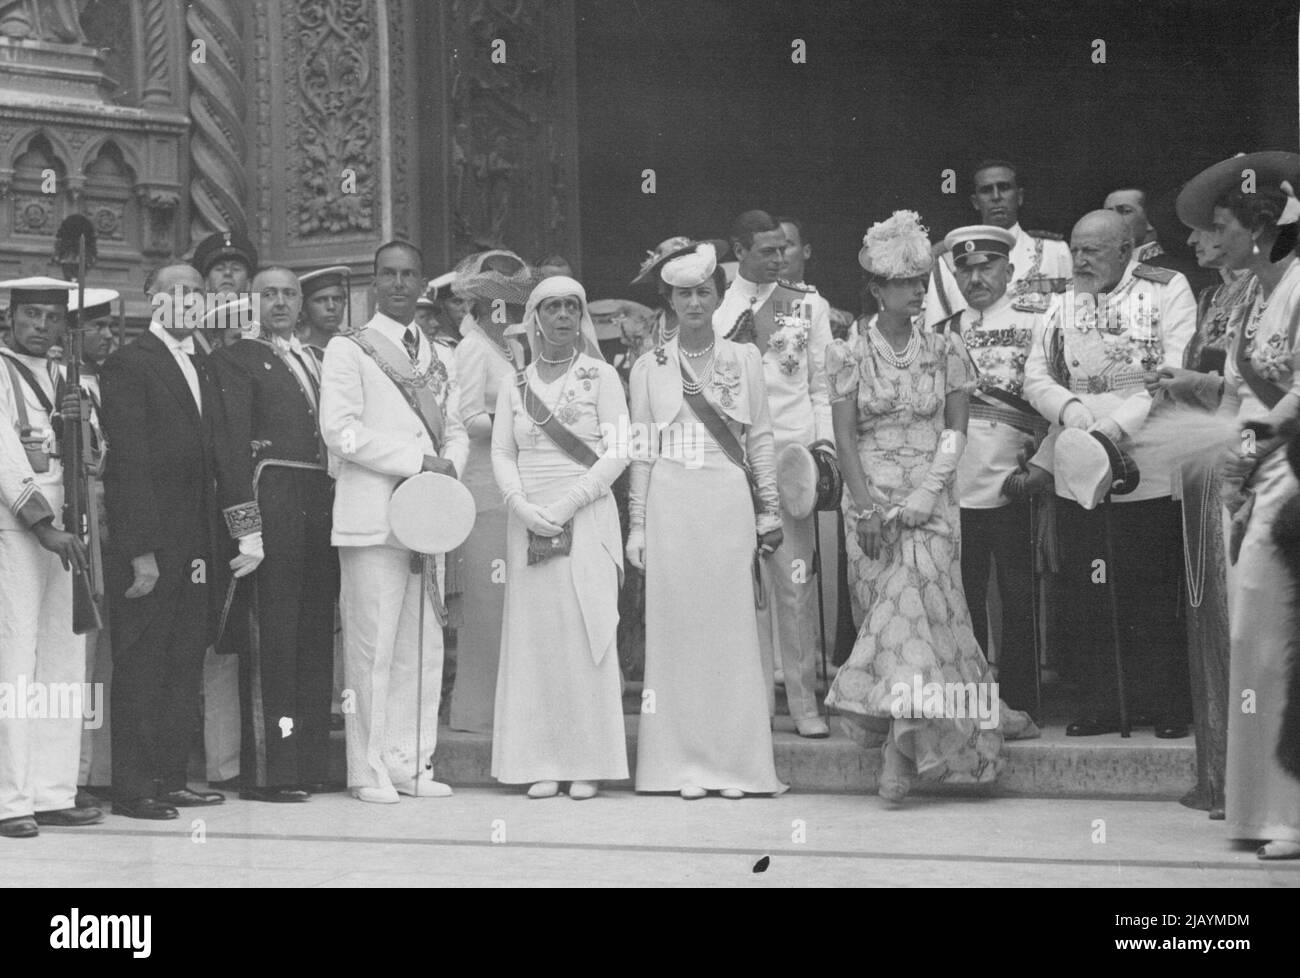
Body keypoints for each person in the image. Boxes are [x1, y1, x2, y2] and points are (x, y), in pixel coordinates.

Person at [825, 212, 1038, 804]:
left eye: (922, 281)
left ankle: (898, 752)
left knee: (921, 606)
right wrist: (867, 510)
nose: (918, 292)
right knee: (896, 620)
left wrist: (927, 492)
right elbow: (845, 439)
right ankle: (935, 730)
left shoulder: (946, 347)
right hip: (869, 501)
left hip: (934, 499)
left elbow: (956, 431)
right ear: (876, 289)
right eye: (905, 283)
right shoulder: (846, 352)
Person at [1022, 210, 1197, 738]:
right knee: (1089, 587)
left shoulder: (1167, 290)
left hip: (1144, 462)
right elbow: (1036, 374)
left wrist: (1112, 428)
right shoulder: (1059, 302)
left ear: (1127, 250)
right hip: (1078, 464)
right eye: (1075, 249)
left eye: (1092, 250)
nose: (1079, 260)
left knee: (1148, 587)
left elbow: (1173, 371)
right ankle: (1101, 702)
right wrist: (1076, 417)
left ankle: (1164, 705)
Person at [100, 263, 264, 820]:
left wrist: (244, 534)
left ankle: (171, 777)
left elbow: (226, 455)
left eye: (195, 291)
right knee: (143, 661)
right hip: (152, 542)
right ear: (151, 298)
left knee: (183, 659)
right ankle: (133, 787)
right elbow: (128, 465)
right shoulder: (129, 363)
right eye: (174, 290)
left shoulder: (206, 365)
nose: (186, 298)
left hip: (201, 542)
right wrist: (140, 550)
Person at [628, 242, 786, 798]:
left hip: (726, 498)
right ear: (669, 301)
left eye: (704, 292)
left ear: (718, 296)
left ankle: (735, 765)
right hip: (672, 500)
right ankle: (680, 765)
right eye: (683, 293)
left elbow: (761, 438)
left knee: (731, 632)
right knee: (676, 635)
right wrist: (638, 526)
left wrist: (768, 508)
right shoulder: (649, 367)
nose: (694, 302)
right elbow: (642, 449)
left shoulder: (744, 359)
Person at [1176, 151, 1300, 859]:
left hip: (1291, 475)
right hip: (1254, 472)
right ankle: (1260, 807)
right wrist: (1196, 391)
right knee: (1254, 633)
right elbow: (1241, 388)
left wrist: (1256, 435)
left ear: (1258, 229)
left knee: (1280, 634)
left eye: (1220, 225)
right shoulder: (1253, 293)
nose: (1210, 236)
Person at [319, 240, 468, 804]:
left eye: (409, 274)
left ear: (422, 282)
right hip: (373, 518)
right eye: (388, 274)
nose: (399, 284)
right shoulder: (349, 349)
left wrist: (448, 467)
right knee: (371, 648)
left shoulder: (442, 356)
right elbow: (341, 431)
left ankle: (411, 761)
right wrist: (416, 461)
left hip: (429, 516)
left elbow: (455, 427)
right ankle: (368, 768)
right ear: (374, 283)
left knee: (421, 648)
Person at [490, 275, 630, 799]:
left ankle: (587, 762)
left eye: (573, 306)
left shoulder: (601, 376)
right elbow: (502, 451)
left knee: (582, 631)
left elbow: (620, 449)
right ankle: (540, 760)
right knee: (537, 637)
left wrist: (572, 501)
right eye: (553, 307)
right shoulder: (514, 383)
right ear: (535, 318)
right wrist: (519, 505)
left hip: (586, 509)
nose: (564, 316)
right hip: (527, 518)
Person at [211, 269, 339, 801]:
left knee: (312, 636)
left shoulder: (314, 357)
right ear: (248, 303)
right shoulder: (235, 358)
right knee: (274, 640)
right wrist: (247, 529)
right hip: (271, 500)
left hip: (318, 503)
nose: (281, 302)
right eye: (269, 294)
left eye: (290, 293)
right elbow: (230, 449)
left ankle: (308, 762)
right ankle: (270, 771)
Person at [714, 210, 833, 738]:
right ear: (739, 251)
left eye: (783, 249)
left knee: (794, 586)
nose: (780, 256)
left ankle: (805, 703)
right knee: (740, 591)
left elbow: (822, 387)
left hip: (789, 461)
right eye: (766, 250)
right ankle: (753, 705)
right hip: (730, 463)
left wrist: (822, 449)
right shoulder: (712, 307)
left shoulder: (808, 305)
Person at [0, 277, 104, 838]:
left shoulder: (71, 378)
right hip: (17, 532)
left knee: (64, 668)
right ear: (11, 318)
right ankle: (10, 799)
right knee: (14, 665)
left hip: (71, 531)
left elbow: (95, 454)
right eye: (31, 314)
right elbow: (3, 455)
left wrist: (77, 424)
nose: (41, 325)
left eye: (52, 316)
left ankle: (53, 789)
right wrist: (43, 525)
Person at [938, 225, 1051, 720]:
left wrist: (1042, 464)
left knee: (1018, 591)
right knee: (964, 592)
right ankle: (977, 698)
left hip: (1015, 477)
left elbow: (1050, 394)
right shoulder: (944, 330)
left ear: (1009, 269)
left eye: (986, 266)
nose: (976, 276)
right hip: (959, 479)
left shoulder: (1037, 321)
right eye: (966, 268)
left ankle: (1024, 700)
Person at [445, 250, 533, 734]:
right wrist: (516, 423)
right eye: (497, 301)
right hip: (483, 488)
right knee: (487, 604)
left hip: (523, 484)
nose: (506, 310)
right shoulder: (473, 349)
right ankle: (479, 712)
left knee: (519, 602)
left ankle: (517, 708)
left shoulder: (519, 346)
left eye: (513, 300)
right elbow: (464, 417)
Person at [66, 287, 116, 804]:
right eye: (94, 328)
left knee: (102, 659)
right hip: (76, 528)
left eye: (109, 327)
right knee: (76, 657)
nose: (106, 336)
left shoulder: (109, 381)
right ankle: (72, 773)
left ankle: (95, 769)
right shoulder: (63, 384)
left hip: (109, 533)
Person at [928, 160, 1072, 324]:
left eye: (1004, 188)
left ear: (1019, 197)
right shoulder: (947, 264)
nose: (996, 197)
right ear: (975, 202)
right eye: (986, 190)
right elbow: (935, 335)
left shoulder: (1055, 252)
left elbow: (1075, 322)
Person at [1105, 184, 1215, 295]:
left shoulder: (1173, 275)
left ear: (1149, 221)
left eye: (1125, 211)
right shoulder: (1102, 273)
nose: (1112, 218)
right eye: (1107, 213)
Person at [296, 265, 350, 352]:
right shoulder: (299, 353)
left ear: (344, 303)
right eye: (321, 300)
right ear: (303, 308)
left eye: (337, 299)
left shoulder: (354, 348)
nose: (331, 306)